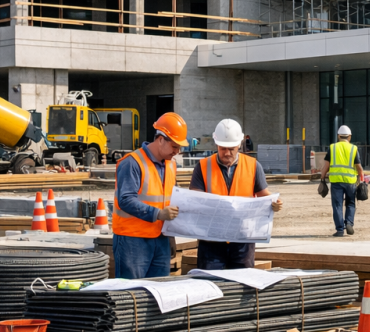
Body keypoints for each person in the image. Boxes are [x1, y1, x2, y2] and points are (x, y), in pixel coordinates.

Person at [189, 119, 282, 270]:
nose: (227, 153)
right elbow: (194, 198)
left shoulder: (253, 166)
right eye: (223, 148)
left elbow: (263, 194)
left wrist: (274, 202)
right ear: (216, 144)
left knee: (241, 285)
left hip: (242, 239)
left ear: (239, 144)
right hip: (211, 240)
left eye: (231, 148)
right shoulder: (203, 166)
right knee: (210, 283)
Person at [113, 113, 188, 279]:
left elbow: (169, 199)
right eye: (174, 146)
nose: (177, 151)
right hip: (133, 239)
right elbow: (125, 200)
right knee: (132, 293)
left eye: (179, 147)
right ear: (161, 139)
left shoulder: (170, 165)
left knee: (158, 291)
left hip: (160, 238)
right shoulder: (132, 162)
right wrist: (158, 214)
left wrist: (171, 236)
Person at [319, 125, 364, 237]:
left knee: (337, 205)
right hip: (350, 182)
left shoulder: (332, 147)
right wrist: (361, 180)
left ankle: (340, 229)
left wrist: (322, 179)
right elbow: (359, 167)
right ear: (349, 137)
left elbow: (326, 166)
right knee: (350, 204)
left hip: (336, 182)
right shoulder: (353, 148)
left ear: (338, 136)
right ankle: (349, 223)